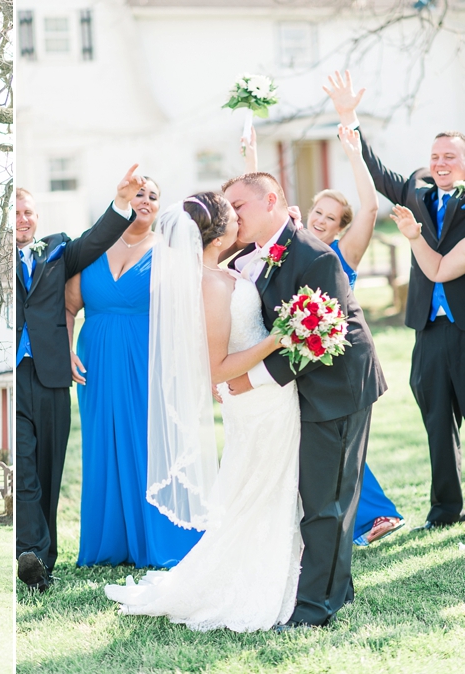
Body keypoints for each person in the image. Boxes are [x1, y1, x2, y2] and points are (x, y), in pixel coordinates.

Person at [105, 194, 300, 631]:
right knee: (257, 490)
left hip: (265, 397)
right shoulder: (211, 285)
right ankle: (242, 580)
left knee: (261, 487)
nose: (239, 220)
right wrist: (277, 340)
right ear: (216, 233)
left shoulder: (222, 270)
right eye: (234, 215)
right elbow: (217, 368)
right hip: (254, 401)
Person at [223, 172, 386, 628]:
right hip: (301, 392)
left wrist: (252, 378)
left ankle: (316, 608)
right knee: (315, 496)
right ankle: (338, 588)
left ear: (271, 200)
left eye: (239, 205)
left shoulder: (315, 257)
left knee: (326, 501)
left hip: (338, 389)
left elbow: (321, 336)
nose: (232, 214)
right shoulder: (256, 252)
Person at [244, 117, 404, 547]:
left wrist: (353, 150)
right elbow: (262, 206)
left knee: (340, 453)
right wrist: (251, 157)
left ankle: (374, 515)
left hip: (334, 364)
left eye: (331, 218)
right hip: (298, 364)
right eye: (317, 212)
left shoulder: (340, 252)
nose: (320, 221)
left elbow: (370, 209)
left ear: (340, 227)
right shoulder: (290, 247)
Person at [329, 68, 465, 530]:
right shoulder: (415, 190)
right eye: (435, 156)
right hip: (428, 331)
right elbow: (374, 166)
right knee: (436, 424)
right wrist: (349, 116)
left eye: (450, 156)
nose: (440, 162)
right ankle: (446, 510)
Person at [64, 177, 204, 569]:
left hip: (147, 360)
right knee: (102, 443)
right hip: (96, 360)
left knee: (148, 441)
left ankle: (153, 536)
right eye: (139, 193)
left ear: (161, 207)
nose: (145, 200)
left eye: (153, 196)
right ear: (123, 197)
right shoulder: (92, 247)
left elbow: (184, 318)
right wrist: (66, 346)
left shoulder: (169, 254)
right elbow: (70, 305)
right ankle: (110, 542)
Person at [16, 166, 140, 592]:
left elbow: (96, 241)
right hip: (12, 375)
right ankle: (27, 550)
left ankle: (41, 562)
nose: (23, 219)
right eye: (14, 214)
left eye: (28, 212)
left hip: (51, 377)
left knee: (49, 469)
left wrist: (120, 202)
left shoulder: (58, 250)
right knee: (27, 467)